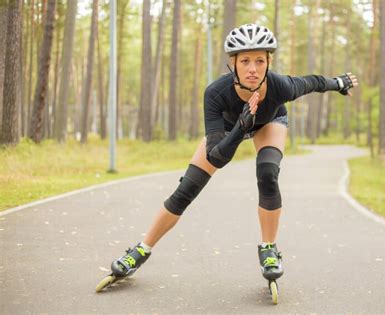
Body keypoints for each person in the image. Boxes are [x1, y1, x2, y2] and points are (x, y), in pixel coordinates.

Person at [106, 23, 358, 285]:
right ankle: (141, 250)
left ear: (268, 62)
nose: (253, 68)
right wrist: (240, 128)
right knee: (187, 188)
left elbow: (312, 83)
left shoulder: (280, 86)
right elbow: (217, 157)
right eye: (246, 60)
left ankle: (269, 249)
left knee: (268, 174)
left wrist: (338, 83)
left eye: (260, 61)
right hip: (228, 130)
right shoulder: (216, 93)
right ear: (233, 63)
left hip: (270, 122)